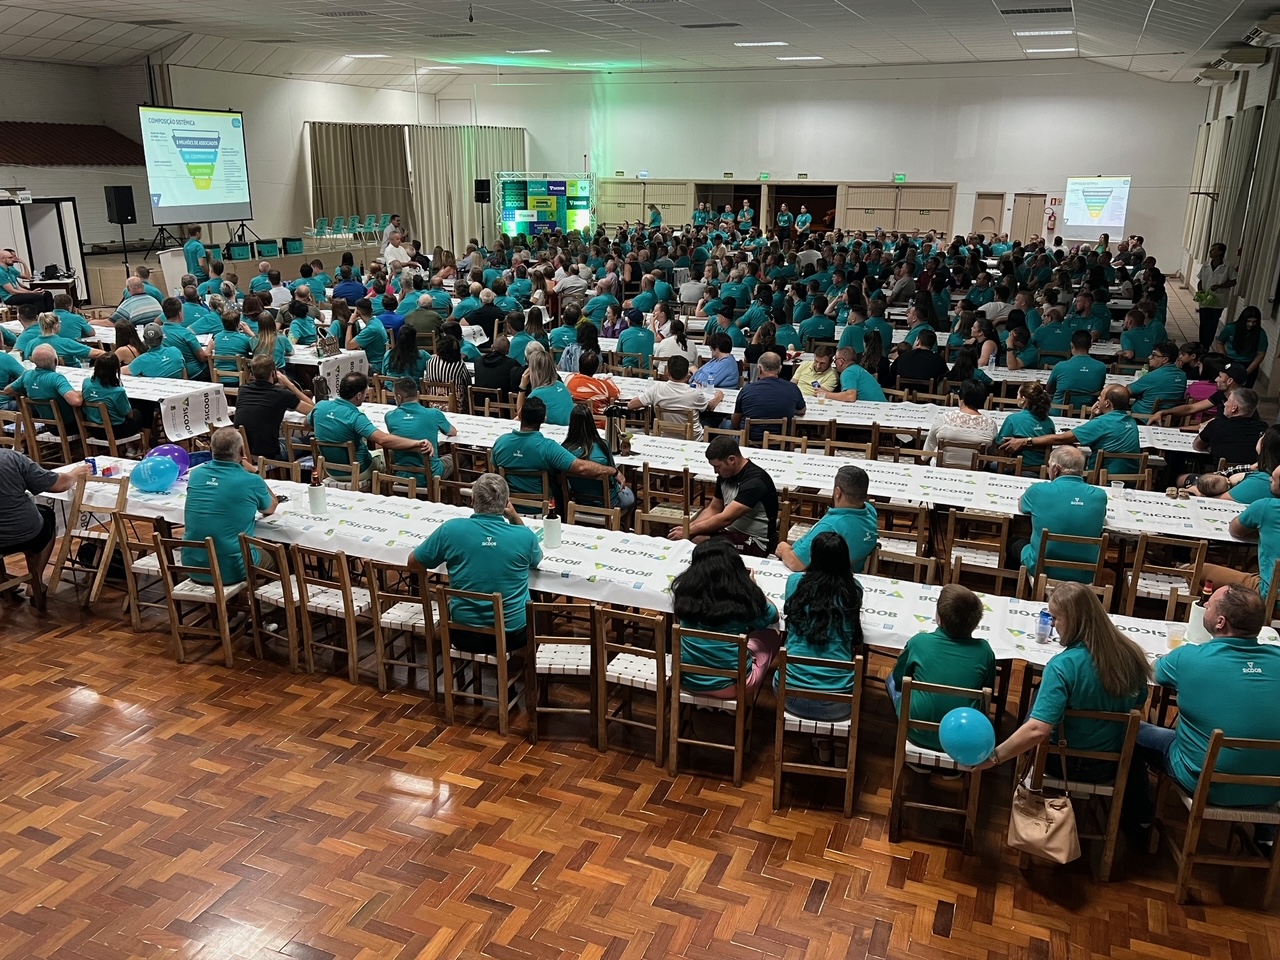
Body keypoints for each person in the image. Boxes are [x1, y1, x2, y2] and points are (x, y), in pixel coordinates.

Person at [974, 582, 1151, 823]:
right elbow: (1137, 706)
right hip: (1110, 765)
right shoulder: (1132, 656)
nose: (1053, 625)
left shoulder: (1063, 666)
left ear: (1073, 620)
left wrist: (995, 757)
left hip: (1064, 762)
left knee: (1039, 698)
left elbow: (1038, 730)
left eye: (1056, 618)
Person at [1137, 584, 1280, 819]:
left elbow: (1154, 671)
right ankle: (1265, 832)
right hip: (1271, 791)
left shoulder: (1189, 658)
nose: (1204, 606)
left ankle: (1139, 818)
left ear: (1220, 622)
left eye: (1209, 604)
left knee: (1131, 730)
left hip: (1208, 784)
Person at [408, 473, 540, 654]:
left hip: (464, 635)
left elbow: (414, 563)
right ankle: (534, 662)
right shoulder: (525, 536)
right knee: (534, 595)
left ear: (472, 501)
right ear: (506, 504)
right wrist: (515, 517)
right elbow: (536, 561)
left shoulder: (450, 529)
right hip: (513, 636)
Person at [888, 584, 995, 752]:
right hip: (963, 739)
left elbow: (899, 679)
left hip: (916, 732)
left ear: (939, 617)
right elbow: (987, 693)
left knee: (891, 680)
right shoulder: (985, 651)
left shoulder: (919, 642)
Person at [670, 538, 781, 699]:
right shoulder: (741, 599)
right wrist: (752, 587)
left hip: (687, 680)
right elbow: (772, 616)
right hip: (733, 685)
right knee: (772, 635)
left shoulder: (685, 594)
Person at [777, 532, 864, 720]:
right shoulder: (853, 589)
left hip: (789, 695)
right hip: (839, 703)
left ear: (813, 556)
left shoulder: (795, 582)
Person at [182, 428, 277, 585]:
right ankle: (261, 598)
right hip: (232, 570)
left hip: (192, 566)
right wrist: (255, 472)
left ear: (211, 450)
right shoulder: (251, 480)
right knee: (286, 559)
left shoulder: (196, 474)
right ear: (242, 452)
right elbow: (271, 507)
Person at [490, 396, 622, 507]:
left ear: (519, 415)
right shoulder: (549, 448)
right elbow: (581, 467)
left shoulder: (501, 443)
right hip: (543, 508)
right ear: (544, 419)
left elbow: (496, 470)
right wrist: (613, 471)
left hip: (510, 507)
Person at [0, 450, 90, 610]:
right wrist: (74, 474)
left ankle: (3, 580)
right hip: (23, 531)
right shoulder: (9, 458)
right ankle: (36, 582)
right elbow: (58, 484)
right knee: (47, 517)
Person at [309, 372, 436, 483]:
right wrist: (416, 443)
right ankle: (400, 488)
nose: (366, 395)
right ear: (359, 395)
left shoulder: (320, 407)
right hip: (359, 471)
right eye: (365, 393)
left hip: (330, 470)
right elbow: (383, 440)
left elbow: (306, 422)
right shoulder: (355, 417)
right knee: (392, 454)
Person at [671, 435, 778, 556]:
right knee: (693, 536)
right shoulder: (725, 476)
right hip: (730, 532)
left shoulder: (755, 482)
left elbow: (726, 518)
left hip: (756, 541)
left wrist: (689, 531)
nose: (715, 471)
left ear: (731, 460)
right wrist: (688, 528)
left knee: (699, 540)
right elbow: (714, 508)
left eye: (717, 466)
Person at [1010, 446, 1107, 580]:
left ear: (1056, 469)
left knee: (1014, 542)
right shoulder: (1099, 496)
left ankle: (1019, 588)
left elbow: (1021, 505)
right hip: (1086, 572)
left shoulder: (1039, 490)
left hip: (1042, 569)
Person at [775, 464, 877, 573]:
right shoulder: (871, 511)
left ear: (837, 492)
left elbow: (795, 563)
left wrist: (784, 550)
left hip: (821, 576)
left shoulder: (831, 527)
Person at [233, 356, 314, 460]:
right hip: (270, 455)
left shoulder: (243, 390)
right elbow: (314, 410)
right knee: (312, 440)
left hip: (244, 452)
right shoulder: (282, 394)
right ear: (273, 373)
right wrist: (290, 385)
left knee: (282, 438)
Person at [628, 355, 723, 441]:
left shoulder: (657, 389)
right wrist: (719, 396)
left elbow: (631, 405)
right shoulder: (695, 394)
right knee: (713, 420)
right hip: (693, 439)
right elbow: (710, 406)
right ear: (687, 374)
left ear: (668, 373)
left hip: (665, 436)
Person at [561, 402, 635, 510]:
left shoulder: (564, 449)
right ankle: (624, 520)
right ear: (591, 423)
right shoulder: (603, 445)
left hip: (579, 500)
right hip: (608, 502)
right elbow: (613, 478)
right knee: (631, 496)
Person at [385, 378, 457, 480]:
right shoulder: (434, 414)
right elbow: (452, 432)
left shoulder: (389, 417)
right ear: (417, 394)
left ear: (399, 397)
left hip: (402, 475)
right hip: (431, 474)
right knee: (459, 458)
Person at [731, 352, 805, 443]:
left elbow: (735, 422)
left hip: (749, 442)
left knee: (725, 424)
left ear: (759, 369)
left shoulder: (746, 390)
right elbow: (802, 410)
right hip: (780, 443)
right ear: (780, 369)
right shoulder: (792, 388)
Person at [924, 378, 997, 468]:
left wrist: (924, 458)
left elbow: (928, 449)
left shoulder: (944, 418)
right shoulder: (990, 424)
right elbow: (989, 454)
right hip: (974, 472)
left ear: (961, 397)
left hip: (940, 470)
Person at [1189, 386, 1265, 467]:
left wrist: (1211, 447)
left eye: (1228, 401)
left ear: (1234, 408)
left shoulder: (1216, 425)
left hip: (1222, 473)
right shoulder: (1263, 427)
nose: (1225, 404)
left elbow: (1197, 445)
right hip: (1253, 472)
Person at [995, 382, 1056, 472]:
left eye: (1017, 394)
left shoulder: (1012, 419)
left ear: (1023, 399)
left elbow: (1000, 444)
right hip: (1042, 470)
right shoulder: (1049, 422)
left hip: (1016, 469)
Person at [80, 353, 139, 444]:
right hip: (115, 430)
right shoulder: (117, 391)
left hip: (93, 429)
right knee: (138, 412)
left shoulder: (86, 383)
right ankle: (140, 446)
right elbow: (129, 414)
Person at [1045, 331, 1107, 408]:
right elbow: (1099, 389)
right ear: (1091, 345)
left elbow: (1049, 390)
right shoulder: (1101, 367)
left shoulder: (1060, 366)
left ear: (1071, 345)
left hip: (1058, 410)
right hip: (1088, 411)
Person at [517, 345, 574, 425]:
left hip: (556, 429)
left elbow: (521, 416)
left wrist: (522, 387)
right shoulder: (561, 385)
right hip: (568, 427)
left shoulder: (537, 394)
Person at [1213, 306, 1268, 387]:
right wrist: (1224, 358)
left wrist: (1246, 372)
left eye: (1254, 322)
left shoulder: (1261, 333)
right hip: (1230, 361)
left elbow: (1260, 354)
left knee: (1244, 390)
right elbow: (1219, 342)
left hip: (1248, 364)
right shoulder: (1231, 328)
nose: (1251, 324)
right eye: (1248, 321)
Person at [1128, 341, 1187, 416]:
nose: (1149, 357)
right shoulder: (1183, 375)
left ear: (1165, 359)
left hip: (1142, 417)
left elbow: (1128, 391)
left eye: (1154, 355)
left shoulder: (1152, 376)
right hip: (1170, 417)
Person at [1197, 242, 1236, 349]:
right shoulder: (1206, 265)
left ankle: (1207, 344)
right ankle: (1202, 344)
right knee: (1203, 322)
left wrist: (1220, 286)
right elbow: (1200, 280)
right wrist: (1200, 292)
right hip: (1205, 299)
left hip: (1218, 300)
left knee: (1212, 323)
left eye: (1213, 250)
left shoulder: (1228, 266)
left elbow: (1233, 282)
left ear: (1220, 252)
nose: (1210, 252)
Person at [565, 349, 621, 419]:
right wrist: (608, 379)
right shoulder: (603, 386)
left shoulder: (570, 379)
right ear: (596, 368)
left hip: (572, 420)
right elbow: (616, 394)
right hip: (598, 421)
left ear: (579, 365)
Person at [820, 346, 886, 403]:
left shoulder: (848, 372)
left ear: (841, 361)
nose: (834, 362)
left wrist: (826, 394)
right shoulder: (856, 369)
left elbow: (850, 396)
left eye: (835, 360)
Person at [474, 336, 523, 402]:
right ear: (508, 351)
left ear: (492, 347)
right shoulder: (512, 364)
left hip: (479, 402)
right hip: (502, 403)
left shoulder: (478, 361)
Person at [344, 298, 388, 371]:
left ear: (357, 312)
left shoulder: (371, 329)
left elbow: (348, 345)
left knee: (345, 367)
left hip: (375, 366)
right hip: (380, 361)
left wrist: (350, 323)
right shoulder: (376, 321)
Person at [617, 308, 656, 373]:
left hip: (628, 372)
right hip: (646, 373)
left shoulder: (624, 333)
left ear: (629, 321)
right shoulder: (650, 334)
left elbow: (618, 355)